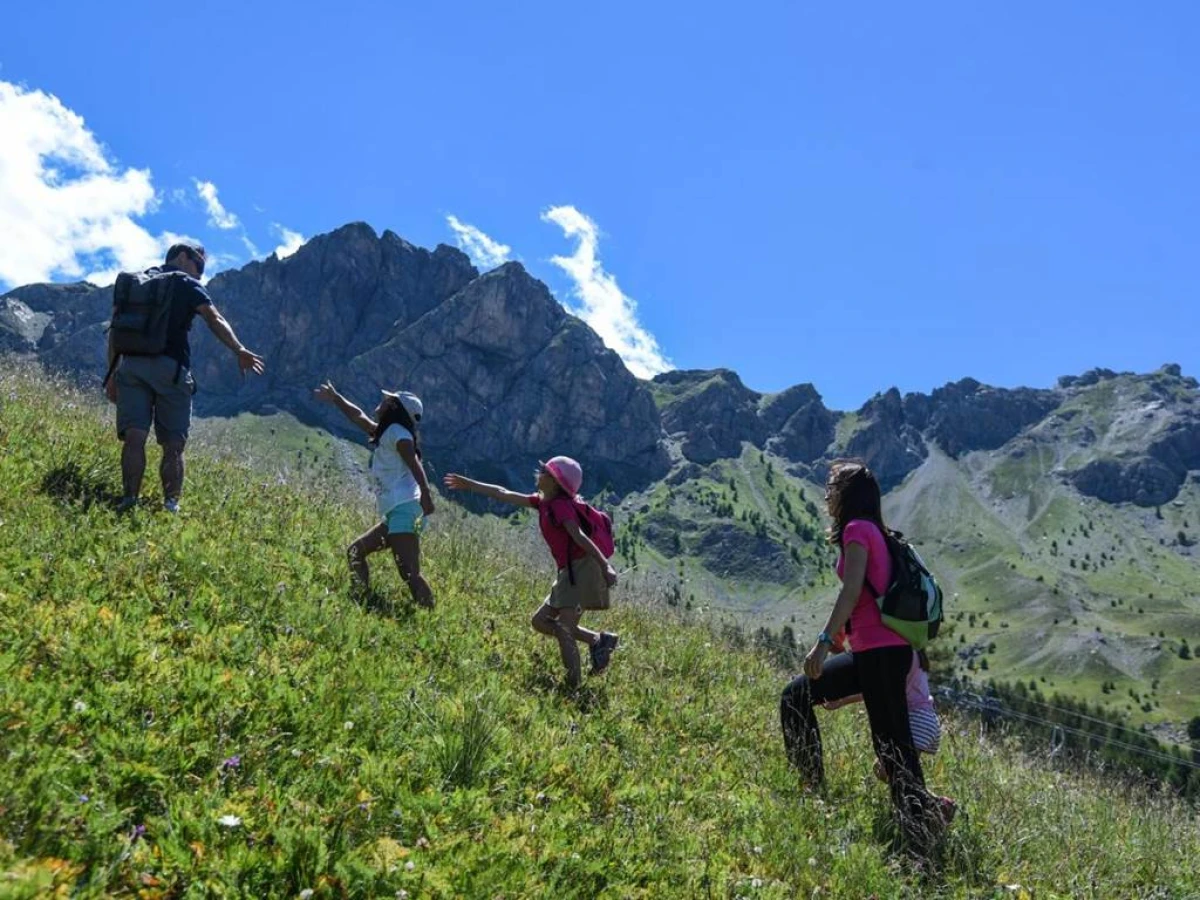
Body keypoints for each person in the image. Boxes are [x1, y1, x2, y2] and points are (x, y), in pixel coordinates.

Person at [780, 460, 947, 849]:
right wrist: (842, 635)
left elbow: (852, 589)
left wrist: (823, 642)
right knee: (801, 697)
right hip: (881, 651)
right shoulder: (877, 532)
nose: (828, 494)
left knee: (892, 747)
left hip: (880, 653)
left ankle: (918, 840)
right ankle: (815, 788)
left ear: (847, 495)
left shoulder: (857, 530)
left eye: (833, 486)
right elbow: (867, 594)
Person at [106, 241, 265, 513]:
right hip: (170, 368)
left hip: (130, 367)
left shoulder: (136, 283)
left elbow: (114, 330)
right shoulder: (185, 283)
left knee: (134, 437)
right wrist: (238, 349)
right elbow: (214, 318)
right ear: (182, 257)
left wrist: (111, 374)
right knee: (173, 444)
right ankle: (170, 506)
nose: (201, 273)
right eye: (199, 264)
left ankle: (129, 500)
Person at [442, 457, 619, 689]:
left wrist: (605, 565)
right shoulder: (543, 502)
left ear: (555, 481)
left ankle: (573, 687)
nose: (539, 471)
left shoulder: (560, 507)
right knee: (540, 621)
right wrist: (470, 484)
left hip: (582, 569)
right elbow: (503, 492)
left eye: (545, 470)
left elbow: (579, 537)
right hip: (569, 571)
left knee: (565, 629)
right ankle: (598, 641)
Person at [314, 381, 435, 609]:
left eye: (387, 400)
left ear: (394, 408)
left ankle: (430, 616)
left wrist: (426, 495)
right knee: (355, 552)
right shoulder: (389, 432)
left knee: (409, 572)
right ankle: (361, 599)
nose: (381, 403)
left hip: (404, 509)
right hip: (396, 511)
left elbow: (414, 462)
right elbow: (358, 417)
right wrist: (336, 397)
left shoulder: (399, 435)